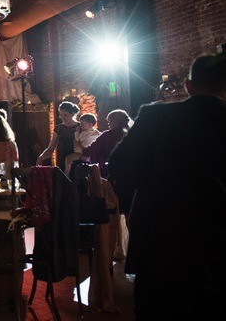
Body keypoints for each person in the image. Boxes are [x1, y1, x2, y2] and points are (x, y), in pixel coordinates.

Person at [108, 54, 226, 318]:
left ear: (188, 85)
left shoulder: (156, 115)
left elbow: (118, 166)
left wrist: (152, 186)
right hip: (217, 246)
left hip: (158, 243)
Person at [36, 101, 80, 169]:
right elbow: (50, 149)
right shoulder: (59, 128)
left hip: (79, 160)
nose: (63, 118)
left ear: (72, 114)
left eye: (65, 115)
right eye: (61, 115)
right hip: (63, 161)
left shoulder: (80, 127)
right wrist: (41, 157)